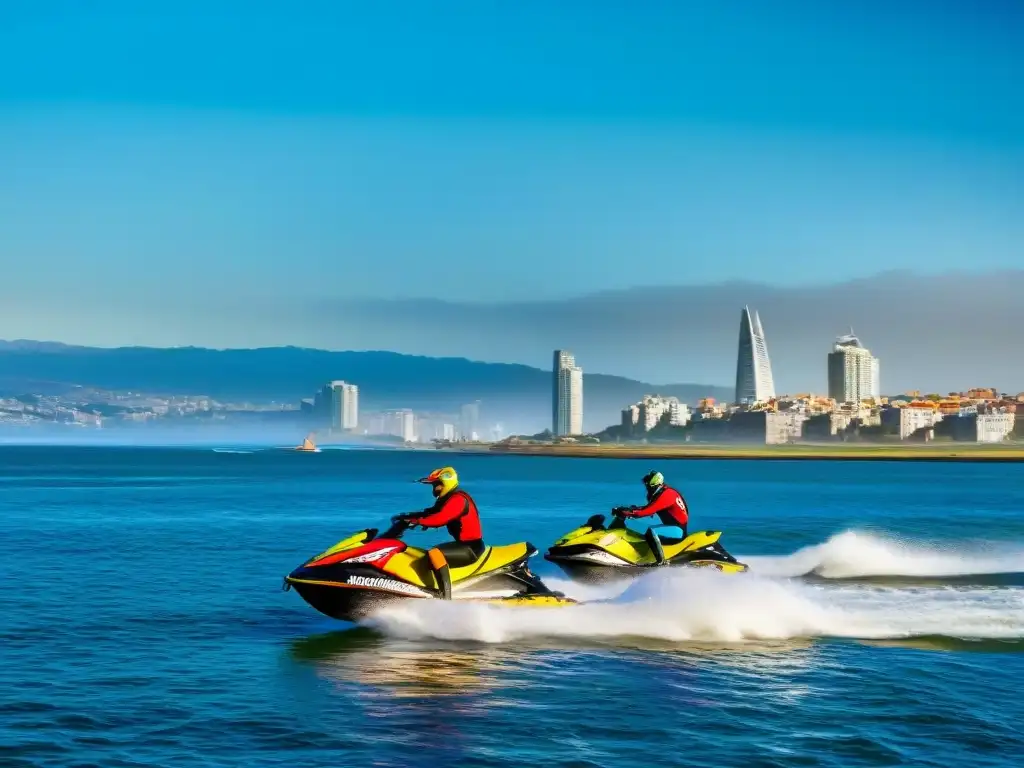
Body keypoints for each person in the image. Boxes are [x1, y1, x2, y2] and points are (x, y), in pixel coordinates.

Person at [393, 466, 484, 599]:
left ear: (445, 484)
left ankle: (445, 596)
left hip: (470, 547)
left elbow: (440, 518)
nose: (434, 489)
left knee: (434, 553)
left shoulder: (458, 500)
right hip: (464, 545)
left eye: (436, 485)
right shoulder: (447, 499)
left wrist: (418, 522)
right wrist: (408, 516)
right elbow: (430, 513)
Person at [615, 470, 689, 565]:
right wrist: (629, 509)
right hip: (671, 527)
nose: (647, 488)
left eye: (649, 486)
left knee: (651, 531)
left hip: (678, 530)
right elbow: (648, 508)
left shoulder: (667, 494)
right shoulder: (659, 493)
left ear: (656, 485)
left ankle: (661, 562)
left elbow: (648, 511)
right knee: (643, 535)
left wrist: (629, 513)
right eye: (646, 485)